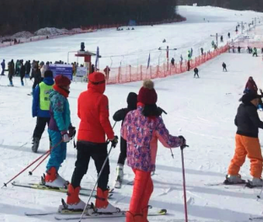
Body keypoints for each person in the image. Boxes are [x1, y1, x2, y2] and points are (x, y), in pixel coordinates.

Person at [123, 80, 185, 222]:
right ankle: (132, 217)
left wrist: (135, 138)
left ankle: (140, 216)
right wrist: (180, 141)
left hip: (133, 159)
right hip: (144, 163)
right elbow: (167, 141)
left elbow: (124, 134)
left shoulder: (130, 115)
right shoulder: (154, 120)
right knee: (138, 193)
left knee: (148, 187)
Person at [62, 72, 118, 214]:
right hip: (97, 141)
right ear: (101, 84)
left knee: (80, 167)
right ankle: (101, 203)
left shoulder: (82, 95)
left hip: (82, 138)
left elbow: (80, 114)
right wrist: (112, 137)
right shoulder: (102, 98)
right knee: (103, 170)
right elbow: (103, 120)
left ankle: (72, 199)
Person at [226, 91, 263, 186]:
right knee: (256, 157)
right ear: (251, 100)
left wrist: (243, 126)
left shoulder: (241, 107)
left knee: (239, 155)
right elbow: (257, 123)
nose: (257, 101)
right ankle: (256, 178)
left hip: (239, 135)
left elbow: (236, 121)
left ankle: (232, 175)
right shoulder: (251, 109)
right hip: (250, 136)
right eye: (256, 100)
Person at [44, 75, 75, 188]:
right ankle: (50, 177)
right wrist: (63, 131)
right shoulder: (58, 97)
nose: (69, 88)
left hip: (61, 129)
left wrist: (69, 126)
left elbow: (65, 114)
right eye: (67, 86)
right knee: (56, 153)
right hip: (56, 129)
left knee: (61, 154)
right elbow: (57, 115)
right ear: (62, 86)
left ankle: (54, 173)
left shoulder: (62, 96)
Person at [112, 92, 138, 188]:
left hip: (125, 136)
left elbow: (115, 116)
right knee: (135, 155)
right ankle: (139, 175)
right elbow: (115, 117)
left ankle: (119, 173)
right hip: (135, 138)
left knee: (123, 153)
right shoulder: (138, 112)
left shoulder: (126, 111)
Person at [32, 70, 55, 153]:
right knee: (52, 130)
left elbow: (35, 100)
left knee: (39, 128)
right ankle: (52, 144)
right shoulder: (55, 86)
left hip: (41, 112)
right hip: (52, 113)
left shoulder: (40, 85)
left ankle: (36, 141)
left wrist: (34, 111)